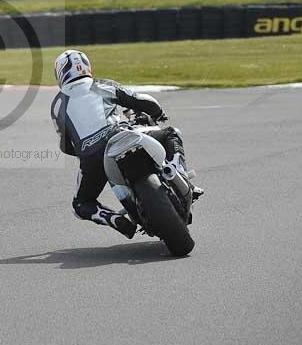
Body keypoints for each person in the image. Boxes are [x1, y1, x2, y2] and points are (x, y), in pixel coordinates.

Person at [50, 49, 203, 239]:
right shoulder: (101, 85)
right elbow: (140, 100)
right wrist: (157, 112)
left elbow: (65, 146)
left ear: (60, 73)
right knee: (172, 133)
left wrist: (85, 152)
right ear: (87, 67)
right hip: (119, 134)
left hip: (91, 156)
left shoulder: (56, 105)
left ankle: (113, 219)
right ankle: (176, 173)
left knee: (81, 204)